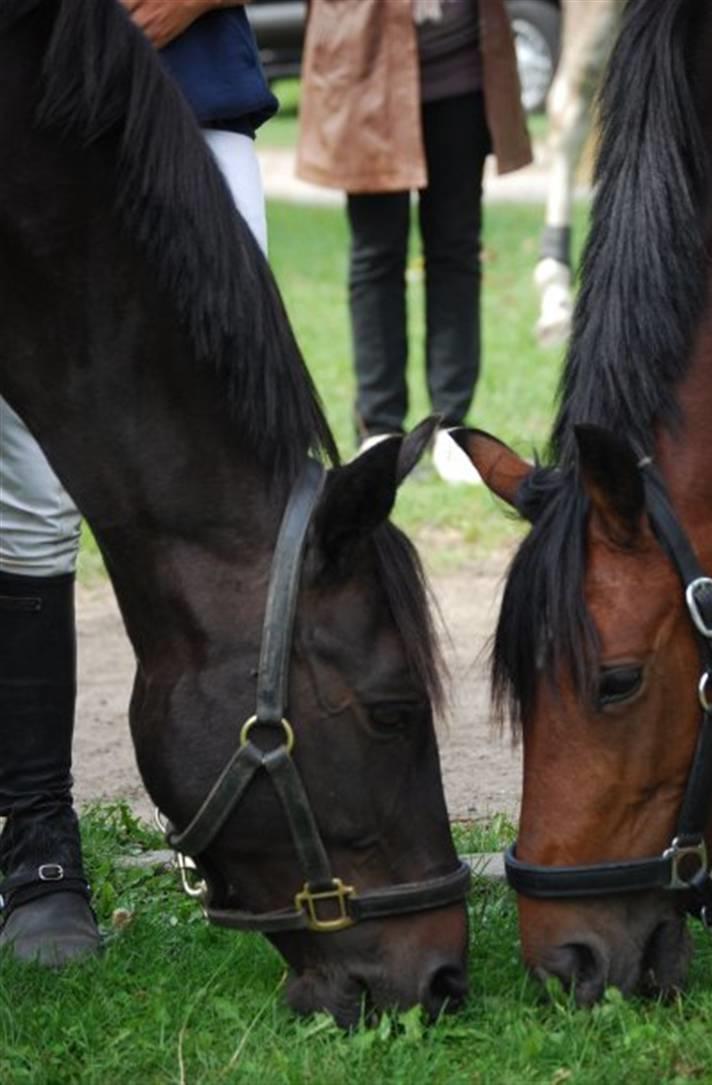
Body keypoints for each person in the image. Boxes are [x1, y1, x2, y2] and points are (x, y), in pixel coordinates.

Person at [0, 0, 276, 965]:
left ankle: (252, 812)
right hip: (17, 96)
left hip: (188, 84)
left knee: (240, 464)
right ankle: (35, 840)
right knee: (29, 494)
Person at [296, 0, 531, 483]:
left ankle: (452, 425)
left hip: (462, 68)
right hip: (363, 69)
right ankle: (380, 427)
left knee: (456, 250)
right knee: (376, 254)